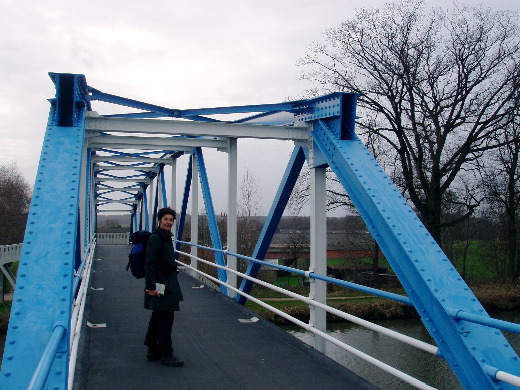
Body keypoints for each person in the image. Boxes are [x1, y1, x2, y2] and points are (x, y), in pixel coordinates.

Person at [143, 207, 184, 366]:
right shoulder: (156, 238)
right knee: (166, 317)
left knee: (158, 315)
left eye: (171, 220)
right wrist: (150, 287)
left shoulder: (165, 237)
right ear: (159, 220)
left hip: (165, 282)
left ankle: (152, 349)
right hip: (160, 284)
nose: (169, 222)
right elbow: (150, 263)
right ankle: (166, 353)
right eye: (166, 219)